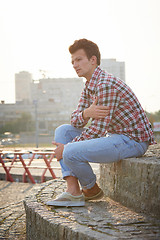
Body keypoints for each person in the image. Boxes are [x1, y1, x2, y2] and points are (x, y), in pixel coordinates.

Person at [46, 38, 155, 207]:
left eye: (79, 59)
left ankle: (90, 189)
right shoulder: (89, 85)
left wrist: (65, 149)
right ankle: (73, 191)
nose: (75, 64)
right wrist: (86, 113)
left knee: (69, 151)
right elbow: (75, 121)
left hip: (133, 141)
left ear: (93, 60)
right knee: (63, 131)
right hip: (115, 136)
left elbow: (97, 129)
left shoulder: (105, 84)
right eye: (73, 61)